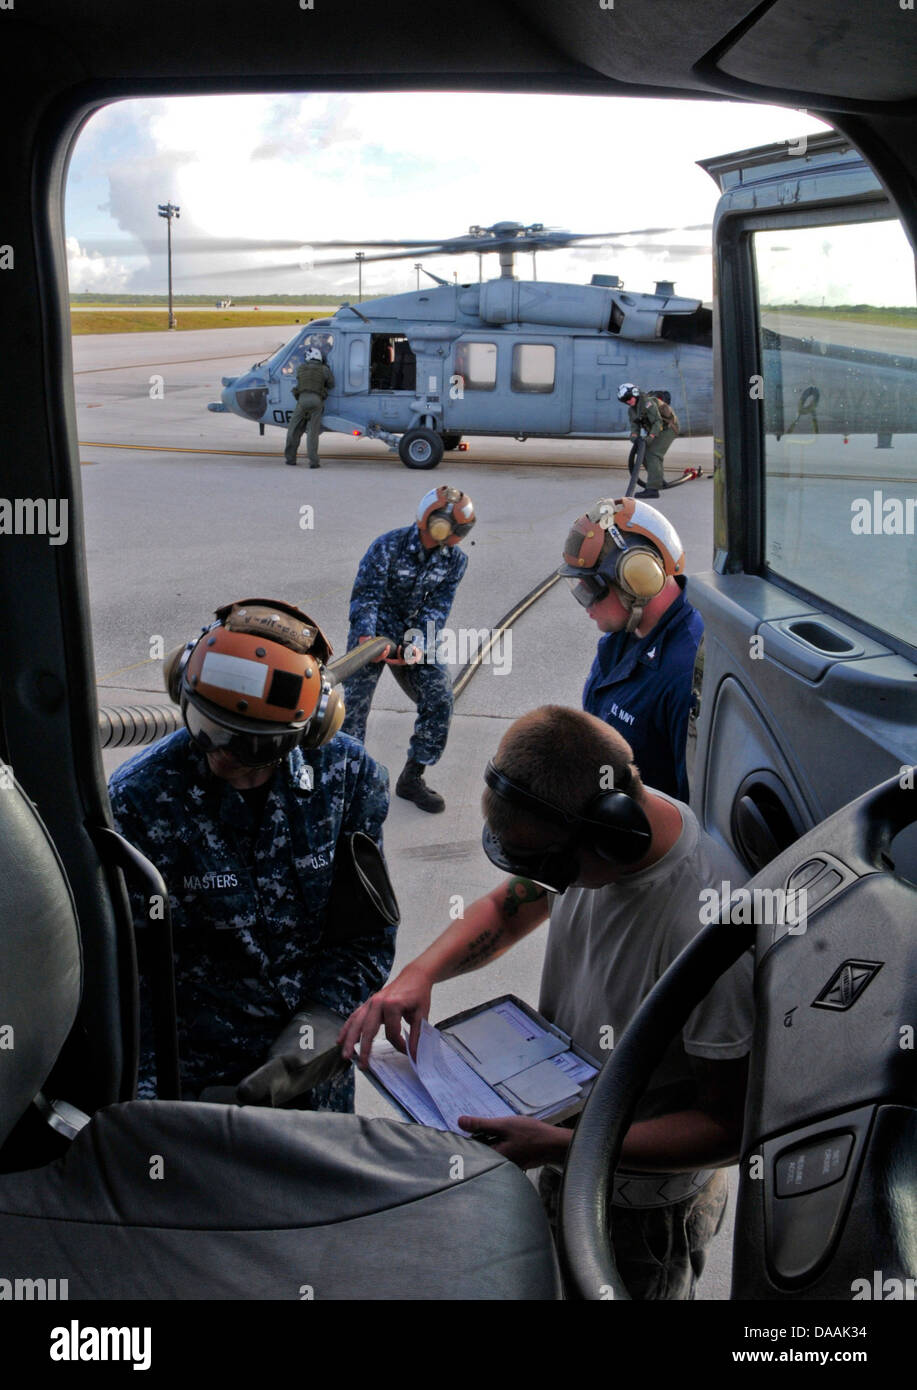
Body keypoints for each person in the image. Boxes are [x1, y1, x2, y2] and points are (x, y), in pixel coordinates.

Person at [339, 706, 752, 1300]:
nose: (543, 881)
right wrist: (417, 974)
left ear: (613, 830)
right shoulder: (605, 825)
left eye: (548, 863)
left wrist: (562, 1145)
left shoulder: (707, 924)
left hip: (639, 1211)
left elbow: (728, 1127)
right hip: (563, 1150)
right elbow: (512, 903)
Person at [108, 597, 395, 1110]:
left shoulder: (350, 780)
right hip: (197, 1092)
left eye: (251, 746)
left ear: (309, 732)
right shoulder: (140, 801)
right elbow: (127, 977)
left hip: (313, 1081)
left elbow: (363, 936)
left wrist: (316, 1029)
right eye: (206, 727)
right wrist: (152, 1105)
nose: (220, 754)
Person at [559, 495, 703, 803]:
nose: (586, 604)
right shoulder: (622, 636)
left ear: (637, 580)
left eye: (591, 588)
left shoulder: (685, 674)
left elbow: (692, 812)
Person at [341, 485, 475, 814]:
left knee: (440, 698)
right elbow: (366, 596)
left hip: (415, 632)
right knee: (354, 709)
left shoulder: (456, 560)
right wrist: (365, 641)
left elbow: (437, 608)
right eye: (453, 528)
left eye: (463, 530)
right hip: (373, 630)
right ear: (432, 521)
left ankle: (412, 777)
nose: (457, 536)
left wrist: (418, 644)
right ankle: (348, 782)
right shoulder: (388, 546)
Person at [618, 382, 680, 499]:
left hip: (668, 428)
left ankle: (653, 489)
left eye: (629, 398)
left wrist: (650, 437)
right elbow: (634, 426)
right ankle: (658, 480)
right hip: (657, 429)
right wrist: (634, 437)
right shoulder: (632, 410)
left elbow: (658, 422)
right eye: (625, 400)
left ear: (635, 394)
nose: (629, 402)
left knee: (653, 454)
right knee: (644, 454)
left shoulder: (648, 403)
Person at [284, 347, 334, 468]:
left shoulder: (301, 368)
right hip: (317, 402)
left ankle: (290, 458)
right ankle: (313, 462)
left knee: (293, 429)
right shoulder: (324, 369)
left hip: (302, 400)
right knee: (312, 433)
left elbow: (299, 381)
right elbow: (332, 384)